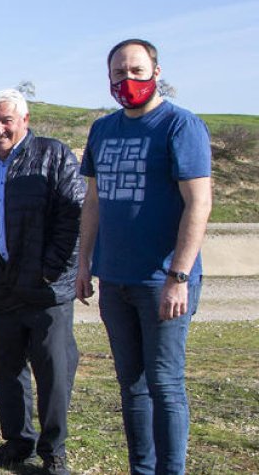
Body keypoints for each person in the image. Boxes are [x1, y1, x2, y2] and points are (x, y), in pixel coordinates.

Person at [76, 39, 212, 475]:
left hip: (162, 280)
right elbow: (93, 203)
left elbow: (199, 204)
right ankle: (142, 469)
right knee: (131, 387)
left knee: (165, 384)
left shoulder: (180, 126)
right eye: (119, 73)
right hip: (114, 279)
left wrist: (179, 275)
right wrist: (83, 263)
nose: (127, 80)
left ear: (155, 71)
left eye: (136, 70)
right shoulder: (103, 130)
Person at [0, 89, 83, 475]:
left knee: (53, 371)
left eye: (6, 120)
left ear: (24, 119)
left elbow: (73, 220)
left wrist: (48, 271)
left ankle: (53, 449)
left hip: (46, 291)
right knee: (5, 369)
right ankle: (17, 441)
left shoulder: (53, 156)